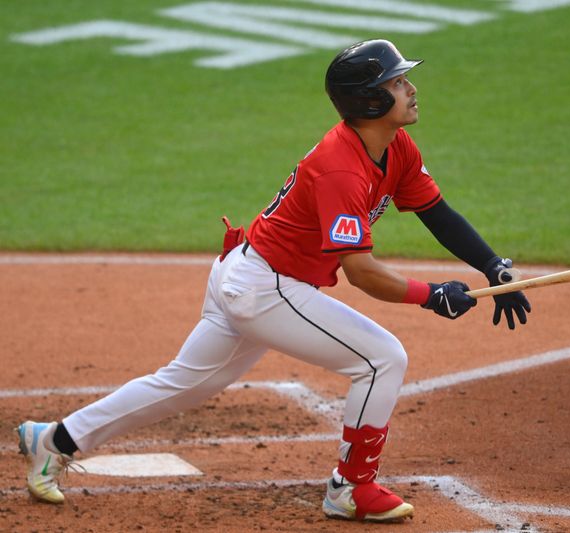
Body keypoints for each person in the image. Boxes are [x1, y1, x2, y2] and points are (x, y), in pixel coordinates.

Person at [16, 39, 531, 522]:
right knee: (381, 359)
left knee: (184, 384)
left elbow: (435, 211)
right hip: (267, 287)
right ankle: (350, 488)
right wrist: (431, 295)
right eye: (398, 83)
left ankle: (55, 439)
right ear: (370, 101)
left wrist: (491, 265)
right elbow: (361, 273)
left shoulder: (395, 148)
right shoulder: (341, 169)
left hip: (248, 276)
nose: (411, 88)